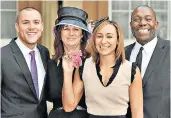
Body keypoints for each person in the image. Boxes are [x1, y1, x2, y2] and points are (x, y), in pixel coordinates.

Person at [62, 17, 143, 118]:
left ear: (117, 40)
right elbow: (68, 106)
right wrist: (67, 71)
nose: (103, 41)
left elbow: (137, 115)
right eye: (99, 36)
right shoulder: (84, 67)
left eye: (109, 37)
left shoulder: (131, 70)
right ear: (94, 39)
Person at [1, 7, 50, 118]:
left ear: (41, 27)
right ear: (17, 27)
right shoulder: (2, 55)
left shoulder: (44, 52)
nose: (31, 27)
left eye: (36, 22)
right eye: (25, 22)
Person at [125, 5, 170, 118]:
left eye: (148, 19)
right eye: (136, 19)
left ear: (156, 24)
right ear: (130, 25)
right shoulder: (121, 54)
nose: (142, 23)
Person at [46, 7, 90, 118]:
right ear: (59, 34)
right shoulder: (50, 64)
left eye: (76, 29)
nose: (71, 33)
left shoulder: (90, 63)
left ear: (82, 35)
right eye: (66, 28)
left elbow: (70, 105)